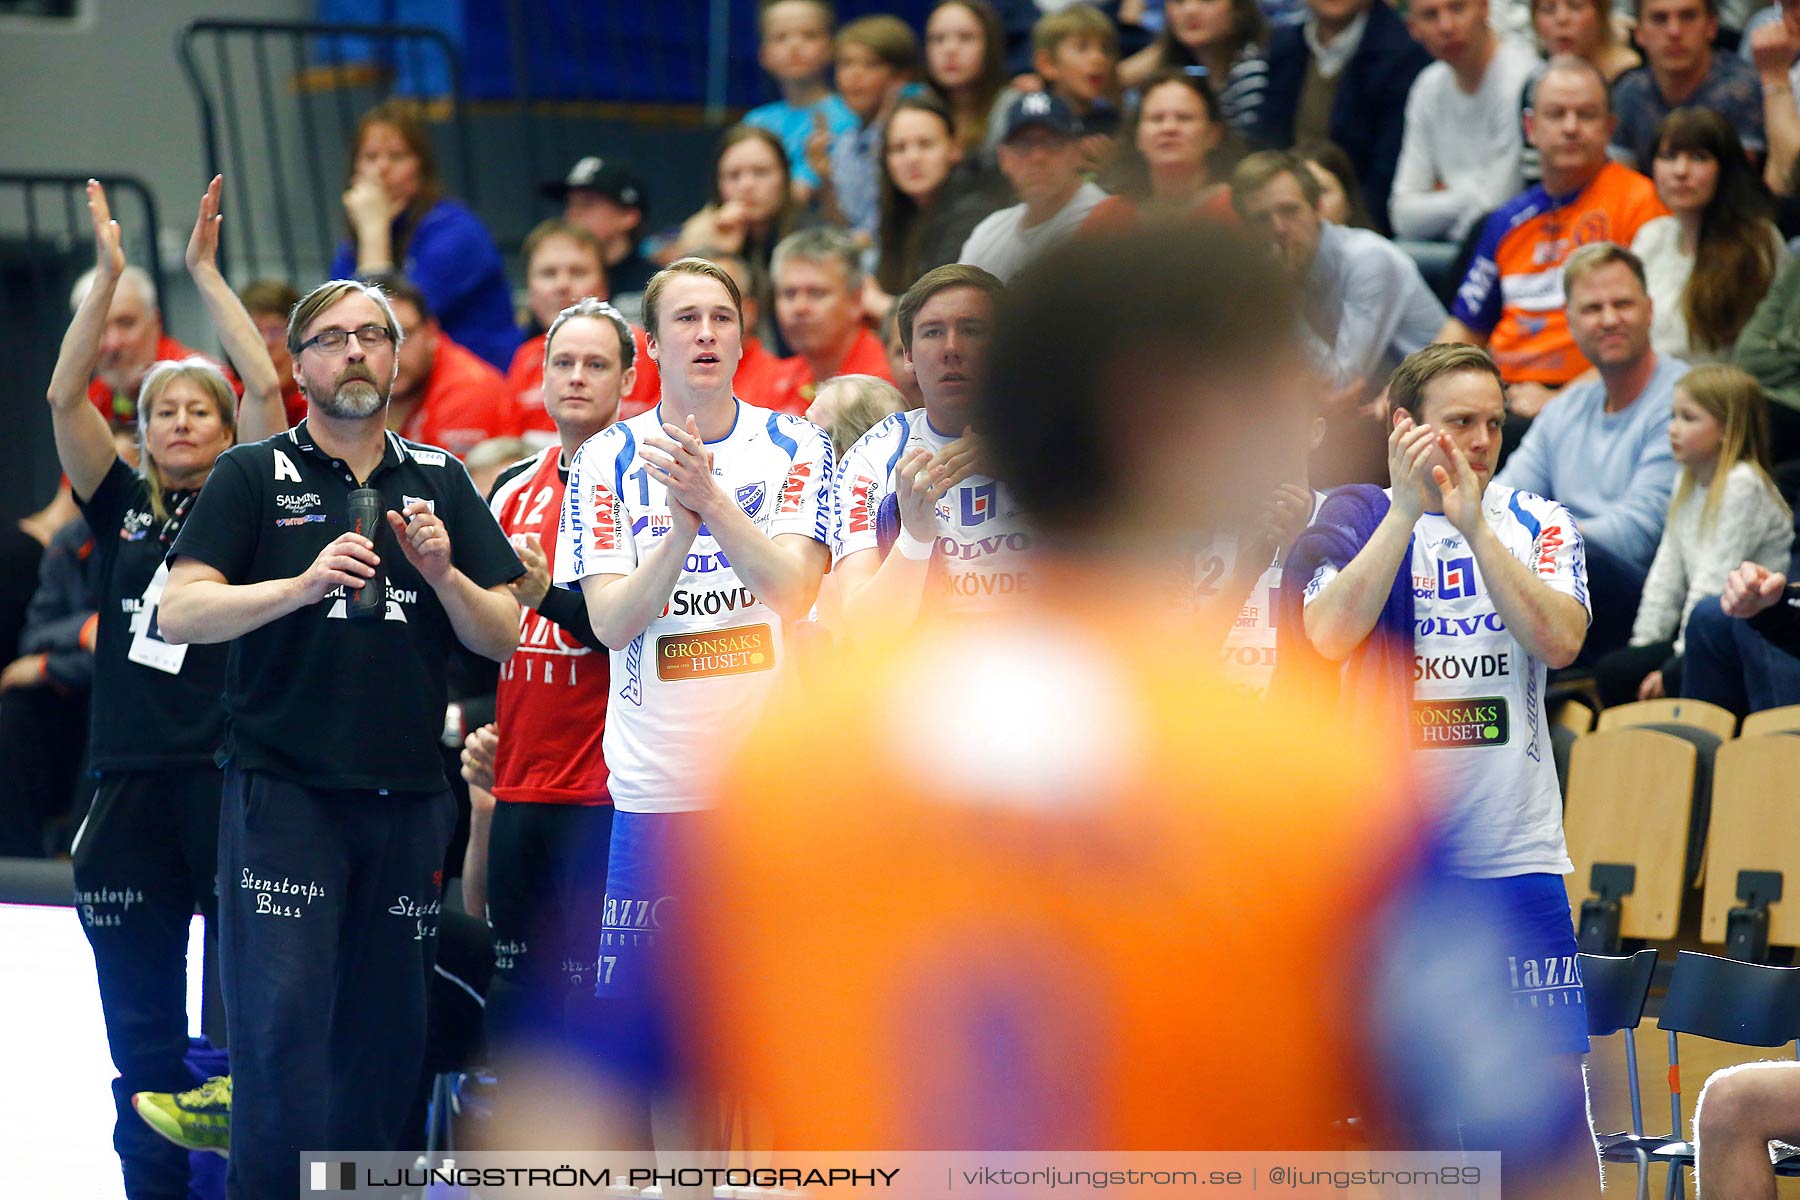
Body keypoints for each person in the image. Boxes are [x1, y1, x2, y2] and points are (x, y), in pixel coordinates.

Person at [644, 234, 1597, 1200]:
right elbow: (1535, 1149)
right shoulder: (1311, 786)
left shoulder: (797, 766)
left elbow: (573, 1102)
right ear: (1187, 436)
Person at [156, 276, 523, 1199]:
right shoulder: (252, 472)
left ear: (398, 359)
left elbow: (505, 634)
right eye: (332, 338)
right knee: (280, 1040)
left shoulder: (437, 475)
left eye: (372, 336)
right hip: (286, 796)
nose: (354, 351)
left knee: (385, 1041)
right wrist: (299, 585)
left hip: (405, 799)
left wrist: (443, 574)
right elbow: (178, 610)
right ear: (301, 362)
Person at [1294, 343, 1593, 1192]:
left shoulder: (1536, 520)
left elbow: (1561, 640)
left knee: (1549, 1119)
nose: (1480, 442)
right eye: (1459, 422)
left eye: (1494, 424)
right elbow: (1325, 636)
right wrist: (1403, 515)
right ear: (1405, 427)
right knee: (1404, 1118)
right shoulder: (1350, 520)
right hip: (1398, 874)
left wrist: (1472, 527)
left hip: (1517, 858)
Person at [550, 258, 830, 1141]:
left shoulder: (796, 446)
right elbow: (610, 621)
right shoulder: (603, 459)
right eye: (687, 320)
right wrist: (676, 534)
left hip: (770, 795)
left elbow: (793, 591)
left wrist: (712, 501)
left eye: (721, 318)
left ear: (744, 338)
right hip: (656, 792)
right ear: (653, 344)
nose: (705, 333)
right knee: (667, 1060)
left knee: (772, 1039)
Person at [51, 178, 287, 1198]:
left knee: (241, 1051)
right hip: (133, 785)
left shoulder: (256, 502)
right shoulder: (120, 510)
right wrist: (106, 283)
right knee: (142, 1043)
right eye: (164, 411)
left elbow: (274, 395)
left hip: (235, 784)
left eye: (202, 408)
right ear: (141, 436)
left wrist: (201, 274)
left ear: (228, 432)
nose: (183, 420)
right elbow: (64, 398)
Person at [467, 298, 629, 1064]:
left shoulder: (646, 487)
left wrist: (544, 597)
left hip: (605, 788)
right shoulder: (507, 488)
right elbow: (484, 630)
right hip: (520, 779)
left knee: (593, 1016)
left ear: (629, 379)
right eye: (562, 362)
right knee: (513, 1007)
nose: (576, 377)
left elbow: (628, 627)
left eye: (597, 364)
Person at [1440, 56, 1667, 410]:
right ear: (1530, 127)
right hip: (1501, 393)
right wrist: (1418, 392)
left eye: (1586, 115)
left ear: (1610, 127)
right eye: (1556, 114)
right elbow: (1463, 329)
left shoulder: (1644, 205)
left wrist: (1559, 402)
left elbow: (1653, 335)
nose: (1571, 127)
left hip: (1592, 396)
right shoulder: (1506, 220)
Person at [1494, 242, 1684, 660]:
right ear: (1571, 322)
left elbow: (1637, 534)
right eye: (1593, 308)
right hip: (1555, 579)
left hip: (1637, 593)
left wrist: (1537, 543)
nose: (1610, 319)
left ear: (1650, 309)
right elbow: (1500, 501)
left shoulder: (1684, 401)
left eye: (1623, 304)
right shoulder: (1565, 408)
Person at [830, 263, 1022, 636]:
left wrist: (1026, 471)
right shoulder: (875, 455)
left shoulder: (1061, 439)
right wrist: (916, 538)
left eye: (972, 330)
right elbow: (866, 629)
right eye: (933, 332)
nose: (951, 348)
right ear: (908, 355)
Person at [1231, 149, 1445, 483]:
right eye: (1261, 219)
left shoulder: (1368, 260)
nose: (1278, 228)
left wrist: (1278, 301)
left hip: (1430, 408)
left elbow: (1341, 383)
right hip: (1365, 422)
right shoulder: (1268, 273)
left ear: (1318, 209)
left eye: (1289, 211)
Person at [1591, 364, 1792, 704]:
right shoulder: (1687, 481)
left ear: (1726, 429)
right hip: (1702, 629)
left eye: (1688, 418)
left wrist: (1679, 660)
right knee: (1619, 670)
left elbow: (1712, 583)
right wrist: (1644, 647)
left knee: (1670, 675)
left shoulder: (1742, 483)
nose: (1673, 429)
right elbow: (1664, 578)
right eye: (1673, 416)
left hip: (1745, 634)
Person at [331, 99, 519, 371]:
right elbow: (335, 323)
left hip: (475, 381)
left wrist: (374, 232)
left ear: (421, 169)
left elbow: (383, 329)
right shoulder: (353, 244)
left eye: (397, 156)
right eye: (370, 157)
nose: (382, 168)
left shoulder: (456, 232)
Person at [1250, 0, 1432, 234]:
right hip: (1283, 219)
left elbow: (1385, 176)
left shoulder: (1405, 52)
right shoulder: (1285, 46)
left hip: (1365, 227)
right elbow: (1266, 145)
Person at [1630, 107, 1784, 363]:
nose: (1680, 171)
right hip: (1648, 388)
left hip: (1719, 394)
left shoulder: (1758, 241)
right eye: (1668, 156)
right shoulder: (1651, 236)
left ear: (1724, 168)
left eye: (1698, 158)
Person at [1388, 0, 1540, 249]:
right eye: (1430, 15)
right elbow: (1401, 215)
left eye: (1457, 8)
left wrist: (1438, 200)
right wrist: (1469, 198)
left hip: (1515, 245)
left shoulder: (1521, 81)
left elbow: (1494, 212)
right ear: (1413, 28)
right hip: (1449, 248)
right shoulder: (1427, 85)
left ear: (1484, 8)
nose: (1446, 26)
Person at [504, 220, 659, 439]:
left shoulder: (650, 353)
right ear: (529, 290)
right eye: (548, 273)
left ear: (604, 286)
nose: (562, 285)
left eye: (578, 272)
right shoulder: (525, 359)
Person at [958, 91, 1110, 281]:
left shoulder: (1105, 219)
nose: (1038, 157)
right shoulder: (988, 232)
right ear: (1004, 158)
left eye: (1052, 142)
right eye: (1024, 145)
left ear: (1076, 152)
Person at [873, 95, 1011, 298]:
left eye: (926, 144)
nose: (912, 158)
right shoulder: (902, 214)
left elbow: (945, 307)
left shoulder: (972, 212)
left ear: (955, 148)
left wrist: (880, 305)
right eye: (899, 148)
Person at [1610, 0, 1765, 174]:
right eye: (1660, 19)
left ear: (1711, 26)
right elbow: (1623, 186)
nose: (1674, 31)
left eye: (1688, 17)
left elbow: (1741, 184)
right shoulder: (1629, 92)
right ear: (1639, 32)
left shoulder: (1742, 88)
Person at [374, 274, 516, 459]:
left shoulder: (468, 389)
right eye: (374, 338)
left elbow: (445, 485)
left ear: (431, 332)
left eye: (403, 335)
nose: (392, 352)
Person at [1083, 68, 1242, 231]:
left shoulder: (1242, 209)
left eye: (1184, 117)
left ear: (1213, 135)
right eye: (1156, 119)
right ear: (1138, 136)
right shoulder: (1108, 218)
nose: (1169, 128)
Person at [811, 14, 919, 240]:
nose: (854, 75)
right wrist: (826, 181)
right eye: (846, 63)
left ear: (900, 77)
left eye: (870, 64)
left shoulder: (912, 133)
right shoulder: (846, 140)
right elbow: (845, 224)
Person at [768, 227, 895, 416]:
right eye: (789, 293)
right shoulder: (776, 380)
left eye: (816, 293)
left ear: (856, 300)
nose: (800, 307)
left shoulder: (887, 380)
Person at [743, 0, 858, 201]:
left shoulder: (850, 115)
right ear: (763, 53)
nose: (794, 46)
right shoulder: (756, 121)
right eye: (780, 37)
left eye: (809, 35)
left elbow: (801, 194)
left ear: (831, 47)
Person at [69, 265, 206, 431]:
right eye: (98, 329)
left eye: (126, 323)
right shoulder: (94, 401)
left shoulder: (203, 381)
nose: (113, 344)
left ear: (155, 324)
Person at [669, 125, 805, 288]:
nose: (746, 185)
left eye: (761, 172)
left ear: (785, 177)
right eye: (733, 175)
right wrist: (721, 255)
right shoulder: (702, 237)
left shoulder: (810, 238)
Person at [1117, 0, 1272, 137]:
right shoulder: (1190, 71)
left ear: (1238, 9)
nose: (1190, 11)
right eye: (1179, 1)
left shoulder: (1251, 70)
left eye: (1207, 1)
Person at [541, 155, 655, 315]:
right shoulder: (558, 287)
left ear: (628, 215)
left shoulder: (657, 286)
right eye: (569, 203)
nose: (573, 213)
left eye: (587, 204)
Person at [924, 0, 1012, 156]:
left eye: (965, 38)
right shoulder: (916, 111)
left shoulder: (1013, 109)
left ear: (990, 46)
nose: (950, 49)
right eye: (938, 39)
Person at [1749, 0, 1800, 194]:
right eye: (1789, 5)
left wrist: (1775, 79)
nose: (1797, 14)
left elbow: (1794, 174)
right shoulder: (1794, 73)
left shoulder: (1779, 71)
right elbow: (1776, 186)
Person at [238, 279, 304, 427]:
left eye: (276, 331)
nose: (266, 344)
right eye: (255, 333)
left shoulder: (322, 407)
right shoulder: (229, 405)